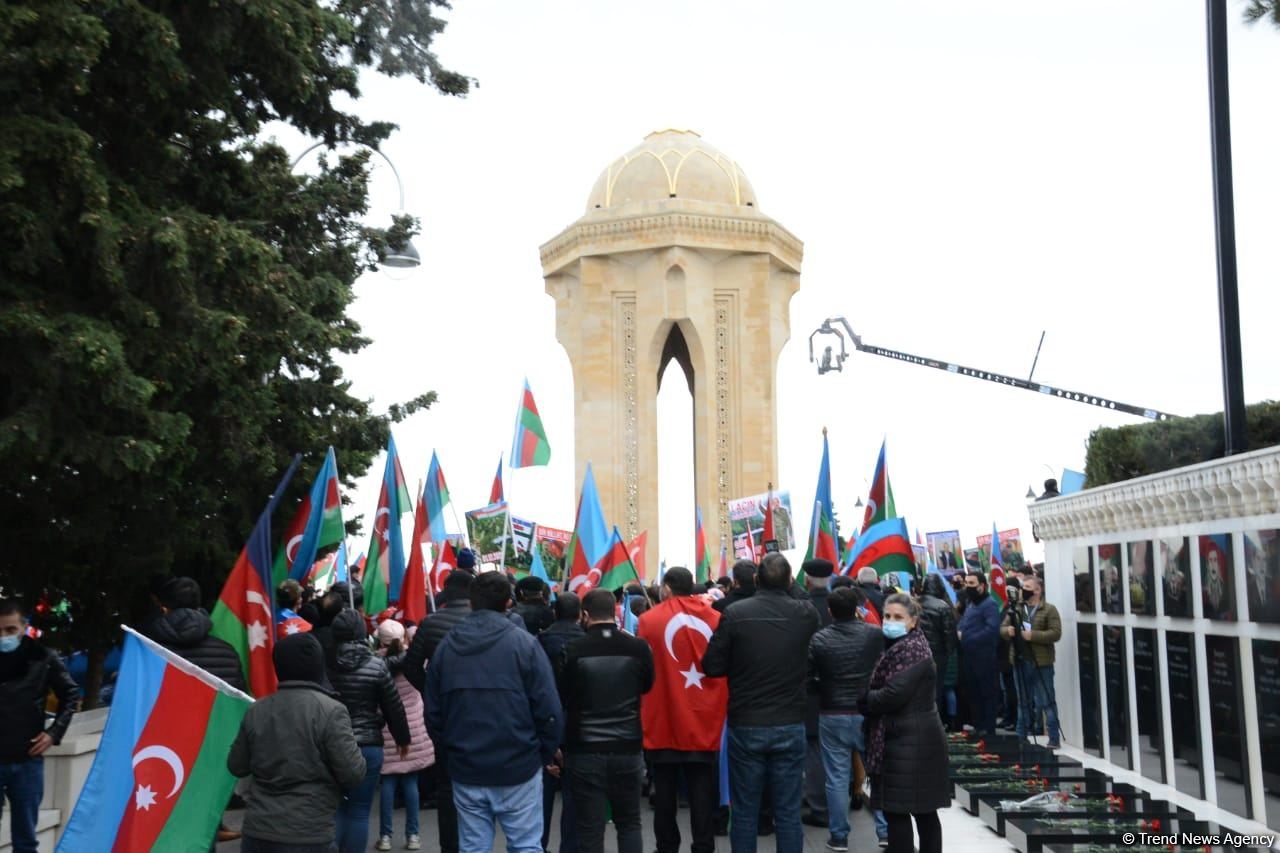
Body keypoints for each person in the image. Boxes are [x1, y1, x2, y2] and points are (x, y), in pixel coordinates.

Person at [426, 571, 562, 853]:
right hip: (518, 765)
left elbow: (434, 713)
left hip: (468, 766)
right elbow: (548, 709)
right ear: (508, 603)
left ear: (471, 602)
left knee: (474, 848)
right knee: (525, 846)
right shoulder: (524, 644)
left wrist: (452, 752)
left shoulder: (447, 647)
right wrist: (540, 754)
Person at [702, 553, 820, 853]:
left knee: (744, 811)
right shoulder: (805, 613)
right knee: (788, 812)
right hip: (790, 721)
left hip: (747, 722)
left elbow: (712, 665)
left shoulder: (737, 613)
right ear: (790, 580)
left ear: (756, 580)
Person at [228, 633, 366, 853]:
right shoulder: (331, 710)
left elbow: (237, 765)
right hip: (310, 832)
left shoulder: (256, 710)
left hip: (259, 830)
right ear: (318, 665)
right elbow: (353, 772)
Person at [636, 567, 727, 853]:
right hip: (704, 716)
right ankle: (703, 845)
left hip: (663, 717)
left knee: (663, 791)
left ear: (666, 587)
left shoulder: (648, 620)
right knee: (702, 789)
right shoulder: (716, 618)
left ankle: (667, 846)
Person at [558, 589, 654, 853]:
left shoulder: (573, 649)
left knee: (589, 826)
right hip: (628, 744)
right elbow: (647, 686)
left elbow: (563, 694)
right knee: (629, 822)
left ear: (585, 615)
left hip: (585, 747)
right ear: (615, 610)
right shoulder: (638, 647)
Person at [859, 594, 948, 853]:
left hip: (911, 742)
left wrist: (865, 699)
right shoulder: (898, 647)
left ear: (913, 622)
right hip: (907, 739)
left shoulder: (911, 651)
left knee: (905, 812)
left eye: (898, 617)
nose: (890, 622)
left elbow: (892, 695)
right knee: (916, 811)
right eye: (887, 616)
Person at [401, 569, 474, 853]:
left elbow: (411, 667)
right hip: (482, 713)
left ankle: (450, 847)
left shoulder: (430, 624)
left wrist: (432, 695)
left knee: (447, 786)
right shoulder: (487, 623)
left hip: (444, 714)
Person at [326, 610, 411, 853]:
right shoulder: (376, 666)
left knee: (336, 807)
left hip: (331, 744)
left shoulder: (323, 663)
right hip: (369, 745)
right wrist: (402, 739)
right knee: (359, 810)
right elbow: (392, 705)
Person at [0, 599, 80, 853]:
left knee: (25, 839)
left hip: (27, 761)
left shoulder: (43, 658)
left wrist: (54, 733)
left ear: (24, 627)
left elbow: (70, 695)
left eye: (10, 630)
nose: (4, 637)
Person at [807, 587, 882, 852]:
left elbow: (809, 675)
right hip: (867, 711)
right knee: (876, 771)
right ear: (857, 609)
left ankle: (839, 836)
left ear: (830, 611)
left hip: (832, 712)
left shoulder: (819, 639)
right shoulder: (874, 634)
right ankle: (885, 830)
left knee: (836, 778)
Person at [374, 620, 434, 851]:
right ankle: (413, 835)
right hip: (413, 727)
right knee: (411, 781)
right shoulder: (415, 661)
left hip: (386, 727)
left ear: (380, 639)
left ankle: (386, 836)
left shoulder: (375, 664)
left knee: (388, 781)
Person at [538, 593, 584, 853]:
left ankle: (537, 846)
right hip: (577, 728)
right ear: (580, 614)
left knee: (541, 798)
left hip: (545, 726)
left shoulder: (538, 643)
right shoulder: (587, 643)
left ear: (555, 612)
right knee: (574, 797)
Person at [147, 576, 246, 691]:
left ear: (164, 609)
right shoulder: (228, 654)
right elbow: (238, 703)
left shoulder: (148, 653)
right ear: (198, 607)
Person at [999, 575, 1062, 747]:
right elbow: (1002, 628)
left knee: (1047, 700)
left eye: (1028, 587)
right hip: (1020, 660)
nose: (1024, 590)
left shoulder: (1049, 610)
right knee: (1023, 700)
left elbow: (1056, 633)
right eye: (1023, 586)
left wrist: (1033, 635)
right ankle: (1022, 736)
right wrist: (1008, 631)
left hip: (1041, 662)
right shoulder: (1018, 608)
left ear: (1038, 590)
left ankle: (1054, 737)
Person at [800, 558, 834, 829]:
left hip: (809, 689)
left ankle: (819, 806)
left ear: (807, 579)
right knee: (836, 753)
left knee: (814, 751)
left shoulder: (802, 609)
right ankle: (836, 804)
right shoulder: (843, 606)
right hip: (842, 691)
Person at [957, 572, 1001, 736]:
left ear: (982, 586)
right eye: (966, 583)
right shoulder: (971, 602)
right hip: (969, 656)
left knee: (986, 693)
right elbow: (964, 622)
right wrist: (960, 631)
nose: (968, 586)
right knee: (973, 692)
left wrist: (967, 638)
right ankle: (978, 725)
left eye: (972, 583)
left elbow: (992, 630)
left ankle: (988, 730)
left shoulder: (989, 604)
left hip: (984, 657)